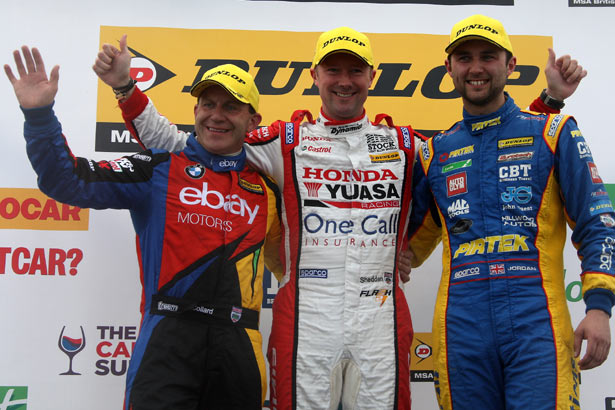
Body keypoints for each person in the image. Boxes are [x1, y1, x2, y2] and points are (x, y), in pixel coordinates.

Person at [92, 27, 584, 410]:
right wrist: (125, 90)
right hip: (310, 307)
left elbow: (481, 152)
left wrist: (548, 104)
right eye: (333, 70)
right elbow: (189, 148)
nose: (343, 80)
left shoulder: (404, 143)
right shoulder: (286, 140)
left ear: (372, 76)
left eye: (354, 70)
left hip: (380, 310)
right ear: (315, 76)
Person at [5, 47, 283, 410]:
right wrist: (39, 114)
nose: (217, 116)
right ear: (195, 111)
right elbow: (65, 180)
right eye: (208, 104)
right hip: (168, 339)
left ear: (253, 121)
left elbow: (291, 268)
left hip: (239, 345)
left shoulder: (267, 190)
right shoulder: (158, 169)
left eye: (231, 107)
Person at [408, 14, 615, 410]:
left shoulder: (553, 133)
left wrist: (598, 307)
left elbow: (598, 222)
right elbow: (410, 244)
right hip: (461, 329)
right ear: (449, 67)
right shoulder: (434, 152)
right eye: (464, 58)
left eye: (489, 56)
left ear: (511, 65)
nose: (476, 68)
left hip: (536, 323)